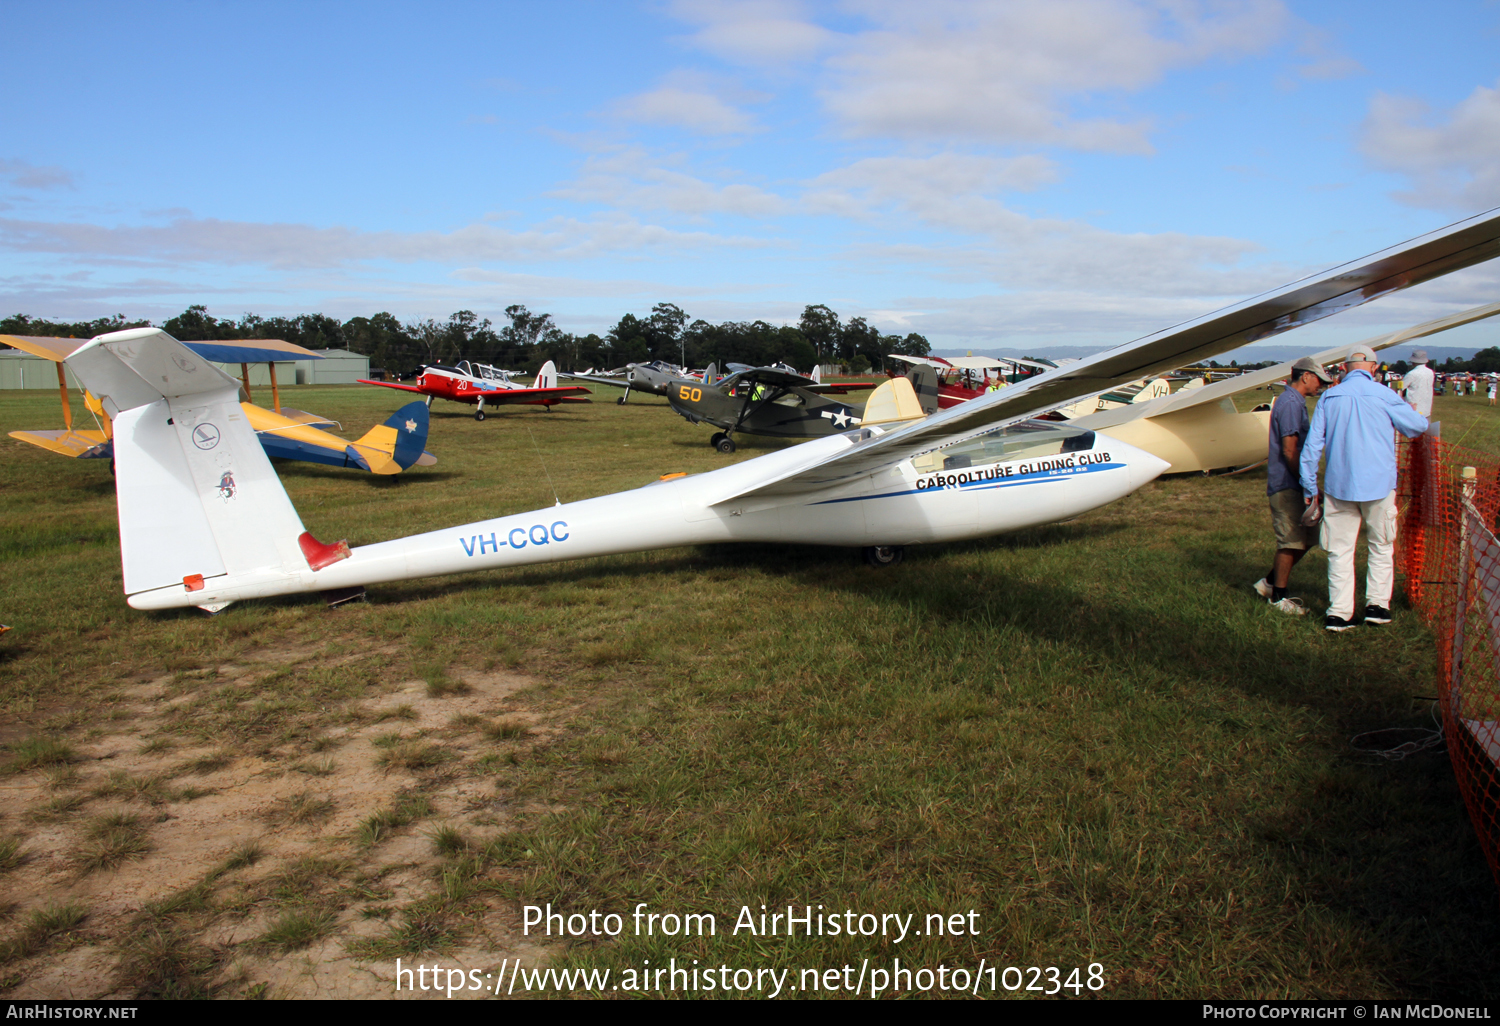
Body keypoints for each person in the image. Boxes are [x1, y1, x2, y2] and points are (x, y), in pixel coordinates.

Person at [1299, 345, 1429, 631]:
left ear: (1345, 368)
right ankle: (1377, 607)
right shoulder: (1384, 394)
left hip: (1338, 485)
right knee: (1381, 546)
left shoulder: (1330, 397)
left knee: (1339, 551)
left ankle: (1339, 613)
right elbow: (1417, 426)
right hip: (1379, 485)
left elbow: (1312, 448)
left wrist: (1309, 485)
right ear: (1373, 367)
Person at [1255, 357, 1332, 615]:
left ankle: (1268, 583)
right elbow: (1289, 450)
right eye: (1319, 380)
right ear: (1306, 376)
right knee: (1290, 541)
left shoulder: (1295, 402)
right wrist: (1307, 483)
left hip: (1293, 483)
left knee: (1307, 539)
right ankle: (1278, 598)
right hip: (1287, 484)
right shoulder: (1290, 403)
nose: (1321, 385)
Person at [1402, 350, 1434, 417]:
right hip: (1427, 408)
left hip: (1413, 408)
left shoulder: (1411, 374)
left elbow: (1401, 388)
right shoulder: (1430, 372)